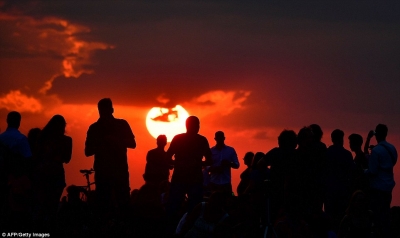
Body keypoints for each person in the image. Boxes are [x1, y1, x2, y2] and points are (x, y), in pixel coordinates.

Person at [85, 98, 136, 220]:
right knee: (104, 205)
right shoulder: (95, 128)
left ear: (111, 110)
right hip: (106, 172)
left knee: (122, 204)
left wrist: (116, 141)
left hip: (118, 172)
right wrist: (103, 143)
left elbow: (132, 144)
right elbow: (87, 151)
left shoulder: (121, 125)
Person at [166, 116, 212, 227]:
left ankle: (173, 227)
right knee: (194, 207)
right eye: (197, 125)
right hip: (193, 178)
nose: (198, 127)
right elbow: (210, 160)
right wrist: (198, 164)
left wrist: (175, 163)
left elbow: (167, 156)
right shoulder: (202, 140)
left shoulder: (178, 138)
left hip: (181, 177)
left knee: (175, 206)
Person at [35, 115, 72, 230]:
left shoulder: (42, 138)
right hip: (56, 173)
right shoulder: (67, 140)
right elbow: (67, 159)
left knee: (41, 204)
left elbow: (37, 155)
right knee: (53, 205)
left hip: (43, 173)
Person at [364, 124, 397, 237]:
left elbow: (372, 171)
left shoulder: (376, 151)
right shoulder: (392, 148)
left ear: (376, 134)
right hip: (388, 186)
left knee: (376, 215)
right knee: (385, 213)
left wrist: (364, 171)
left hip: (377, 187)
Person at [325, 129, 355, 232]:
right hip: (343, 191)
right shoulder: (347, 154)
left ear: (332, 139)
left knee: (330, 218)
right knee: (341, 218)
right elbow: (351, 172)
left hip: (329, 190)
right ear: (341, 139)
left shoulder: (327, 153)